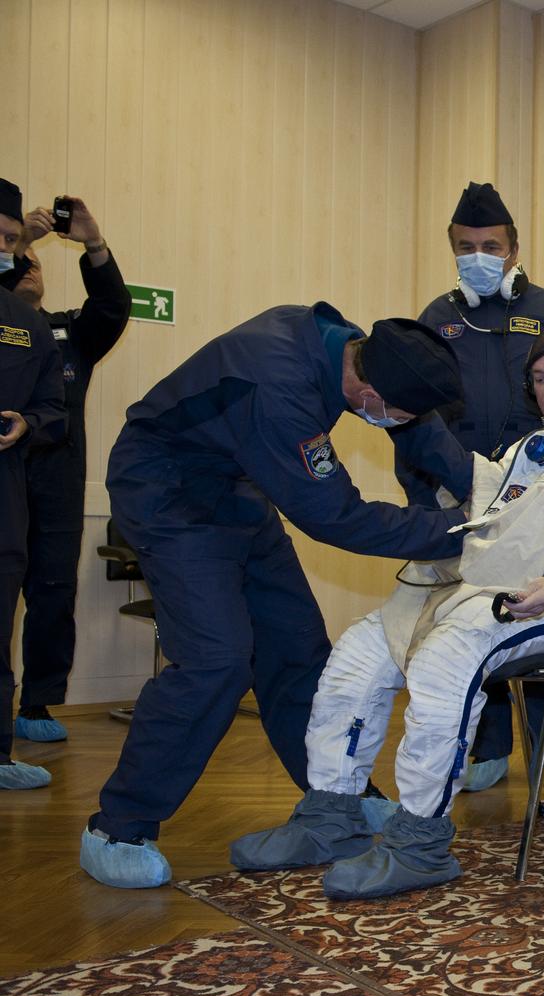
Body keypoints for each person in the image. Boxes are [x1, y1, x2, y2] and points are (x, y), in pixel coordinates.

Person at [230, 325, 544, 902]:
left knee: (448, 659)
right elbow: (492, 509)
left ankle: (420, 841)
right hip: (501, 589)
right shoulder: (532, 449)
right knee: (360, 651)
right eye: (541, 377)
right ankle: (330, 814)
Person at [80, 305, 473, 889]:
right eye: (395, 414)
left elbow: (423, 429)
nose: (397, 424)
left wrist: (488, 494)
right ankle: (118, 826)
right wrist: (460, 533)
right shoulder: (278, 388)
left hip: (238, 487)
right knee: (217, 660)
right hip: (168, 494)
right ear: (367, 391)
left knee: (298, 648)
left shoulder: (348, 348)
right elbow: (335, 517)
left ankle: (336, 795)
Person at [412, 181, 544, 797]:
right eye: (466, 247)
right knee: (480, 613)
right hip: (467, 490)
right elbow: (418, 408)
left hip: (542, 488)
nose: (478, 255)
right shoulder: (439, 318)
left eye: (490, 245)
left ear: (514, 250)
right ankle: (489, 746)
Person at [10, 196, 130, 743]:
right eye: (21, 256)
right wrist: (21, 243)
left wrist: (94, 243)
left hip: (57, 482)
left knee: (54, 592)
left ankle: (36, 704)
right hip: (6, 480)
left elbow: (112, 307)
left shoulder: (68, 333)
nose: (32, 265)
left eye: (37, 261)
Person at [0, 178, 67, 791]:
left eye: (10, 239)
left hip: (5, 496)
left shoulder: (28, 324)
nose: (4, 248)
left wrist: (28, 423)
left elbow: (54, 408)